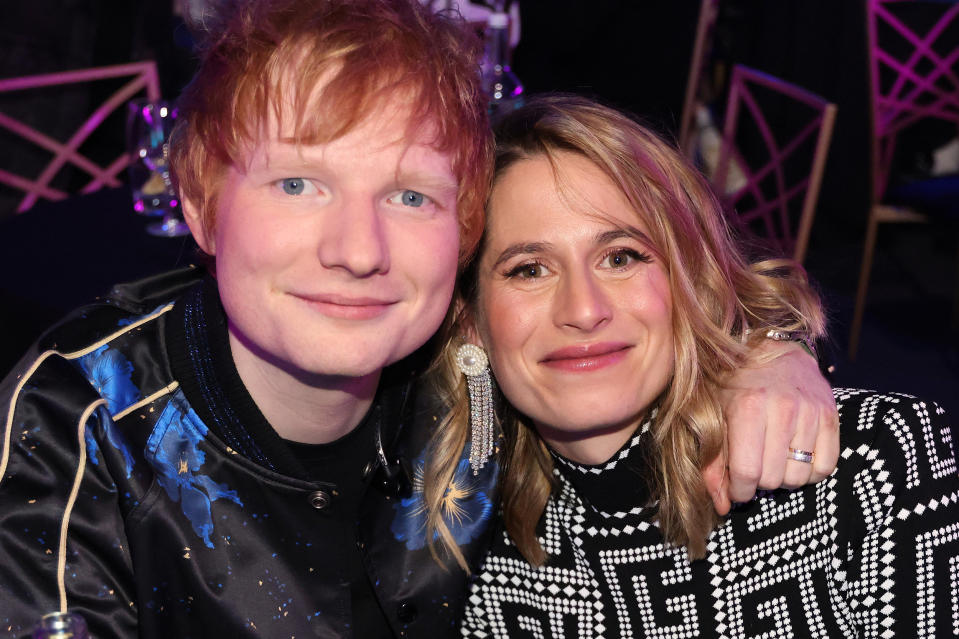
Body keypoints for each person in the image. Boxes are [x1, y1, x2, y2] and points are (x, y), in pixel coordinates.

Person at [0, 3, 835, 638]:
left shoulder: (467, 368)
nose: (359, 250)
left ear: (462, 231)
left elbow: (639, 312)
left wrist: (764, 352)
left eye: (409, 195)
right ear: (201, 204)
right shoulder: (85, 418)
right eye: (298, 183)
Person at [455, 95, 959, 638]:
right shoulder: (449, 542)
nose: (583, 309)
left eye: (621, 257)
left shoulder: (869, 467)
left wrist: (776, 342)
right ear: (470, 322)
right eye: (529, 269)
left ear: (687, 280)